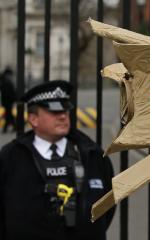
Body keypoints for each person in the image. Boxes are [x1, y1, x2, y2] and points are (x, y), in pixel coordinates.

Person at [0, 80, 114, 240]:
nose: (62, 116)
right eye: (54, 112)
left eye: (65, 110)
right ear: (33, 119)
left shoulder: (92, 154)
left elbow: (107, 206)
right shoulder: (11, 157)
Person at [0, 68, 16, 133]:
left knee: (8, 114)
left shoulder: (4, 81)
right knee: (9, 114)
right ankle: (13, 127)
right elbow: (11, 92)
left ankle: (7, 128)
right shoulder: (7, 81)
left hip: (7, 101)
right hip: (8, 101)